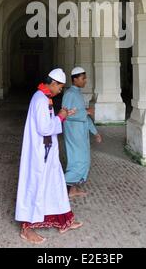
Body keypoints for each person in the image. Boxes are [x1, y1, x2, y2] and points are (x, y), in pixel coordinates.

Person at [15, 68, 83, 244]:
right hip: (39, 154)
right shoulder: (40, 100)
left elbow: (49, 123)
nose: (60, 90)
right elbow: (44, 128)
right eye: (60, 87)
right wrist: (60, 117)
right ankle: (26, 229)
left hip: (47, 152)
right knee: (35, 187)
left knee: (55, 185)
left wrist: (64, 115)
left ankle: (64, 221)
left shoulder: (46, 98)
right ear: (53, 83)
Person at [62, 67, 102, 198]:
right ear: (75, 79)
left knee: (82, 159)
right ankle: (62, 187)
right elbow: (65, 115)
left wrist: (95, 132)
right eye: (83, 78)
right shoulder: (69, 94)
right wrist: (86, 111)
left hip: (81, 132)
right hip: (74, 133)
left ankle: (72, 189)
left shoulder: (78, 93)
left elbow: (84, 114)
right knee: (78, 161)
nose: (85, 80)